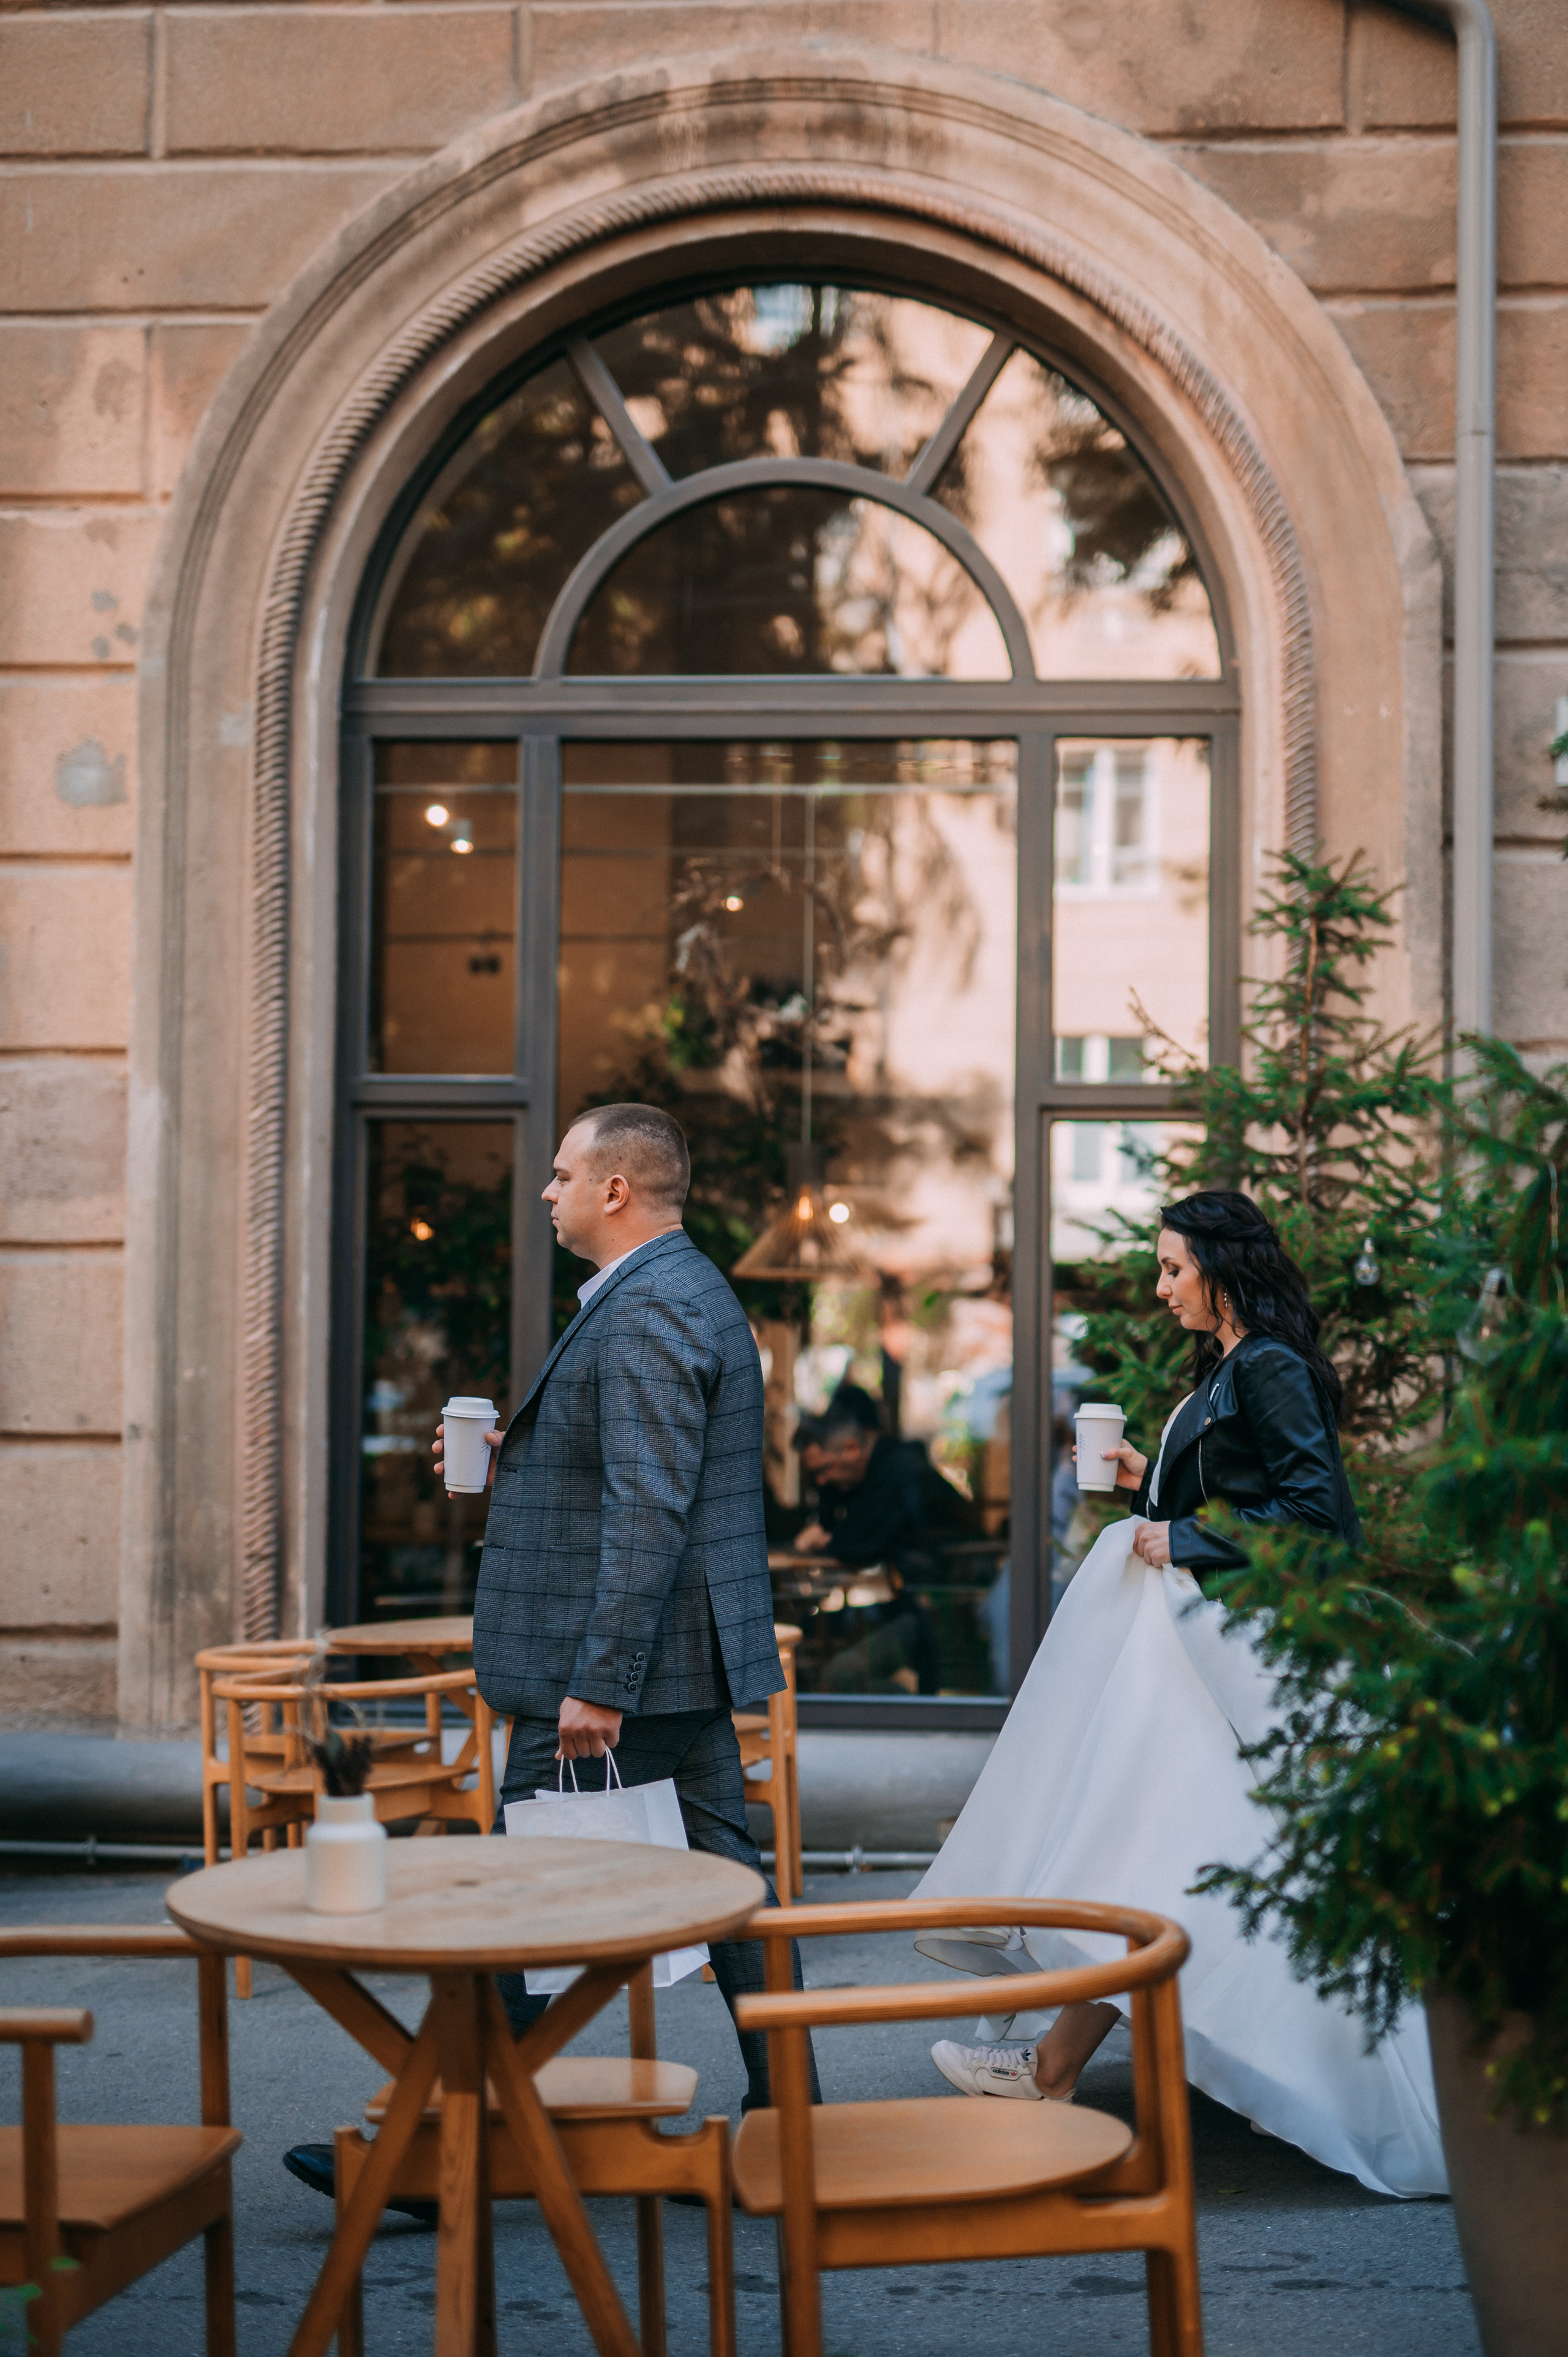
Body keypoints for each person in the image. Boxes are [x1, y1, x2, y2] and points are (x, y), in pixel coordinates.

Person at [282, 1101, 815, 2215]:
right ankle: (789, 2125)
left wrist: (598, 1683)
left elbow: (650, 1510)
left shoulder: (652, 1309)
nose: (547, 1189)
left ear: (615, 1191)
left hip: (625, 1673)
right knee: (735, 1894)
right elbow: (615, 1478)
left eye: (563, 1173)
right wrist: (504, 1464)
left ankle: (436, 2160)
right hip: (672, 1662)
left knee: (515, 1898)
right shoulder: (674, 1292)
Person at [912, 1190, 1447, 2200]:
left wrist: (1188, 1537)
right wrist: (1144, 1487)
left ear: (1222, 1266)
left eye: (1171, 1269)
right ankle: (1056, 2066)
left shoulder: (1273, 1368)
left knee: (1170, 1847)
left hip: (1250, 1661)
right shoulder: (1233, 1367)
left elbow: (1321, 1525)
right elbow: (1237, 1499)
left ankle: (1062, 2066)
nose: (1159, 1289)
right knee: (1165, 1846)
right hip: (1208, 1654)